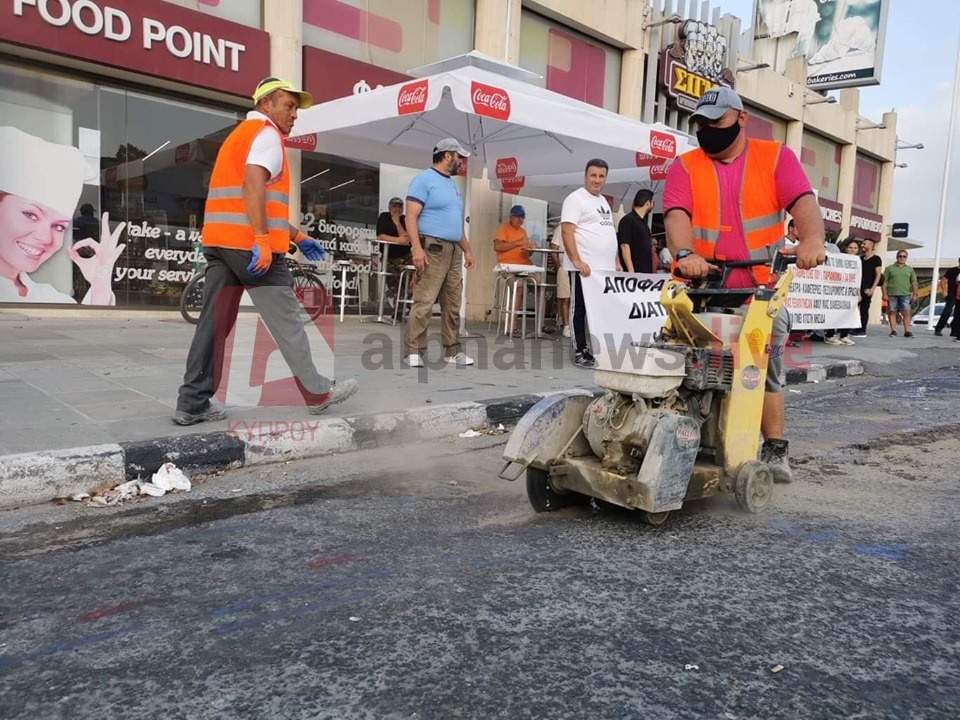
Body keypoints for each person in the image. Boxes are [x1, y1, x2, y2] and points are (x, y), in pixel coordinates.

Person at [663, 86, 826, 484]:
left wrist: (811, 241)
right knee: (677, 360)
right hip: (702, 286)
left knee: (762, 364)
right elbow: (676, 216)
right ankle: (678, 437)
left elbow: (803, 203)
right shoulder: (684, 166)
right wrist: (685, 255)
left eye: (715, 123)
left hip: (758, 289)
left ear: (741, 118)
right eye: (701, 124)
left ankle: (774, 449)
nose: (707, 131)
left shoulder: (775, 158)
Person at [173, 77, 358, 426]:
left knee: (212, 325)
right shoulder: (268, 135)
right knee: (287, 320)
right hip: (250, 249)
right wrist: (261, 240)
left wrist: (298, 236)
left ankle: (192, 402)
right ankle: (317, 393)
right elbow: (252, 185)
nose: (294, 114)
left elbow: (257, 202)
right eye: (288, 106)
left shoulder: (237, 137)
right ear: (266, 104)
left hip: (220, 244)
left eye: (296, 108)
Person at [0, 126, 125, 305]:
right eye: (30, 215)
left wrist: (100, 283)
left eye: (59, 226)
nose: (45, 238)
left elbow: (91, 330)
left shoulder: (49, 297)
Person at [404, 138, 477, 368]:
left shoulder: (454, 186)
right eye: (459, 157)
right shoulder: (424, 180)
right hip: (432, 248)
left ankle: (452, 350)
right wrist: (416, 248)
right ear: (448, 155)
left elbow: (455, 223)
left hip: (454, 250)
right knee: (424, 301)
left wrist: (468, 250)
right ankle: (414, 350)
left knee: (453, 304)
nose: (461, 162)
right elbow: (410, 216)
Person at [561, 158, 621, 368]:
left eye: (601, 176)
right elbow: (567, 231)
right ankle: (579, 350)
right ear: (585, 176)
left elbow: (608, 232)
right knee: (580, 309)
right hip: (584, 268)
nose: (597, 180)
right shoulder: (575, 199)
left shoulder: (603, 201)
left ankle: (597, 349)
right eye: (593, 175)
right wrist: (577, 260)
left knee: (599, 310)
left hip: (604, 270)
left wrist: (615, 260)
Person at [493, 204, 539, 333]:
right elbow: (498, 247)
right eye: (518, 217)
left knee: (541, 285)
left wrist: (531, 249)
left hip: (525, 266)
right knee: (519, 288)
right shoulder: (503, 228)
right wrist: (517, 243)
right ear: (511, 217)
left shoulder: (523, 232)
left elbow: (527, 253)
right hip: (508, 267)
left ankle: (540, 326)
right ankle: (512, 327)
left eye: (522, 217)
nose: (520, 220)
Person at [375, 196, 412, 303]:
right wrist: (398, 240)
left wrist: (397, 223)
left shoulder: (405, 220)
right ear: (389, 207)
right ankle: (397, 308)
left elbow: (406, 239)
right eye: (394, 206)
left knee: (404, 284)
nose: (397, 209)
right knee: (393, 284)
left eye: (400, 207)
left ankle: (399, 311)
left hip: (404, 257)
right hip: (389, 257)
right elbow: (381, 236)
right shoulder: (384, 217)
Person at [825, 239, 861, 345]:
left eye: (855, 248)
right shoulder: (839, 259)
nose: (852, 250)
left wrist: (858, 292)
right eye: (850, 247)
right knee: (836, 312)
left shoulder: (858, 261)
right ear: (846, 249)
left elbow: (858, 278)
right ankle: (830, 335)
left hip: (851, 291)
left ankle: (844, 335)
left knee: (849, 313)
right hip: (838, 290)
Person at [882, 250, 918, 338]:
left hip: (905, 294)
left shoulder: (909, 269)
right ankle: (893, 331)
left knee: (906, 312)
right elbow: (884, 282)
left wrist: (915, 294)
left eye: (904, 256)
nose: (902, 258)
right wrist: (884, 294)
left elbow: (914, 282)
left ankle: (907, 331)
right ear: (896, 257)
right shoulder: (889, 268)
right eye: (900, 256)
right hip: (892, 294)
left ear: (906, 258)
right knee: (892, 312)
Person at [618, 189, 656, 273]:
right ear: (647, 203)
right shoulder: (628, 220)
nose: (653, 204)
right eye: (652, 202)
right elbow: (624, 245)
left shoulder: (644, 223)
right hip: (634, 273)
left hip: (645, 272)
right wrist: (631, 269)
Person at [854, 237, 883, 336]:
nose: (862, 245)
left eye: (865, 244)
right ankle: (853, 327)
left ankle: (862, 329)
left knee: (864, 309)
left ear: (871, 246)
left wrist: (872, 288)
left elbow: (878, 274)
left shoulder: (876, 259)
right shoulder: (860, 259)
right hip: (857, 287)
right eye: (862, 244)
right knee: (854, 308)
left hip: (867, 288)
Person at [549, 222, 571, 337]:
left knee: (574, 298)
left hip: (579, 268)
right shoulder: (561, 228)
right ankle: (566, 325)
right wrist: (558, 266)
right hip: (565, 266)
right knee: (565, 297)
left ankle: (569, 323)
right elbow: (553, 248)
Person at [934, 257, 960, 336]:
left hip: (959, 295)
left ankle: (954, 331)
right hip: (952, 294)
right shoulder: (953, 270)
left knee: (958, 313)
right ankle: (938, 329)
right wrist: (944, 291)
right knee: (947, 312)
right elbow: (943, 280)